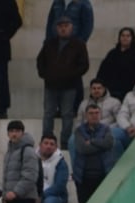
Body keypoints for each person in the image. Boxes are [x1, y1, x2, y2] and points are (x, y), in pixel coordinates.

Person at [37, 16, 88, 148]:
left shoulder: (78, 44)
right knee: (48, 113)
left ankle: (65, 143)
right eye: (60, 26)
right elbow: (40, 61)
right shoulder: (49, 43)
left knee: (67, 114)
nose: (63, 28)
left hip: (69, 86)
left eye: (66, 26)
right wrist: (45, 74)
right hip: (51, 85)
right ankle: (47, 141)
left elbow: (84, 65)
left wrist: (71, 76)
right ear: (56, 28)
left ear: (71, 27)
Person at [70, 103, 114, 203]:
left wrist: (92, 141)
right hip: (83, 177)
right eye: (91, 113)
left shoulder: (106, 129)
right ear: (86, 115)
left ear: (100, 115)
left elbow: (109, 144)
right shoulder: (79, 131)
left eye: (97, 113)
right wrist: (101, 145)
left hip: (102, 176)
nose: (94, 115)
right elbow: (83, 148)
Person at [96, 27, 135, 100]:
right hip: (111, 92)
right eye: (123, 35)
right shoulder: (112, 54)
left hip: (130, 93)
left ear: (132, 38)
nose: (125, 38)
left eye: (128, 36)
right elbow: (102, 71)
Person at [38, 132, 69, 203]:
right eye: (46, 143)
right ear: (40, 145)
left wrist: (41, 196)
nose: (48, 146)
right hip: (35, 195)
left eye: (52, 144)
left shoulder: (61, 163)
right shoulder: (32, 159)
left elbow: (59, 187)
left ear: (56, 148)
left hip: (55, 197)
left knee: (49, 202)